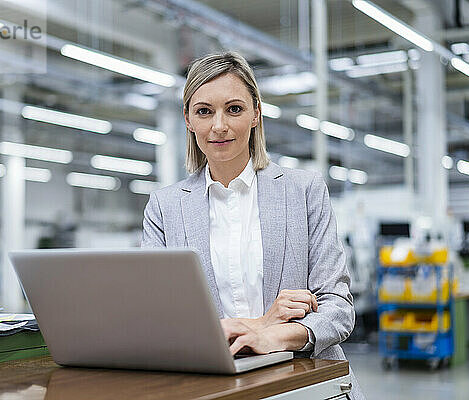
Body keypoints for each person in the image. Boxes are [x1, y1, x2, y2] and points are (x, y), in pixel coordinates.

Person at [141, 51, 364, 400]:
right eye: (204, 111)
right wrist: (261, 323)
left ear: (256, 113)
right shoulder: (164, 208)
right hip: (215, 384)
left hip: (304, 380)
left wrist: (275, 335)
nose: (219, 126)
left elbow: (337, 308)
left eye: (234, 109)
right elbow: (157, 319)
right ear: (187, 119)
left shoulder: (304, 190)